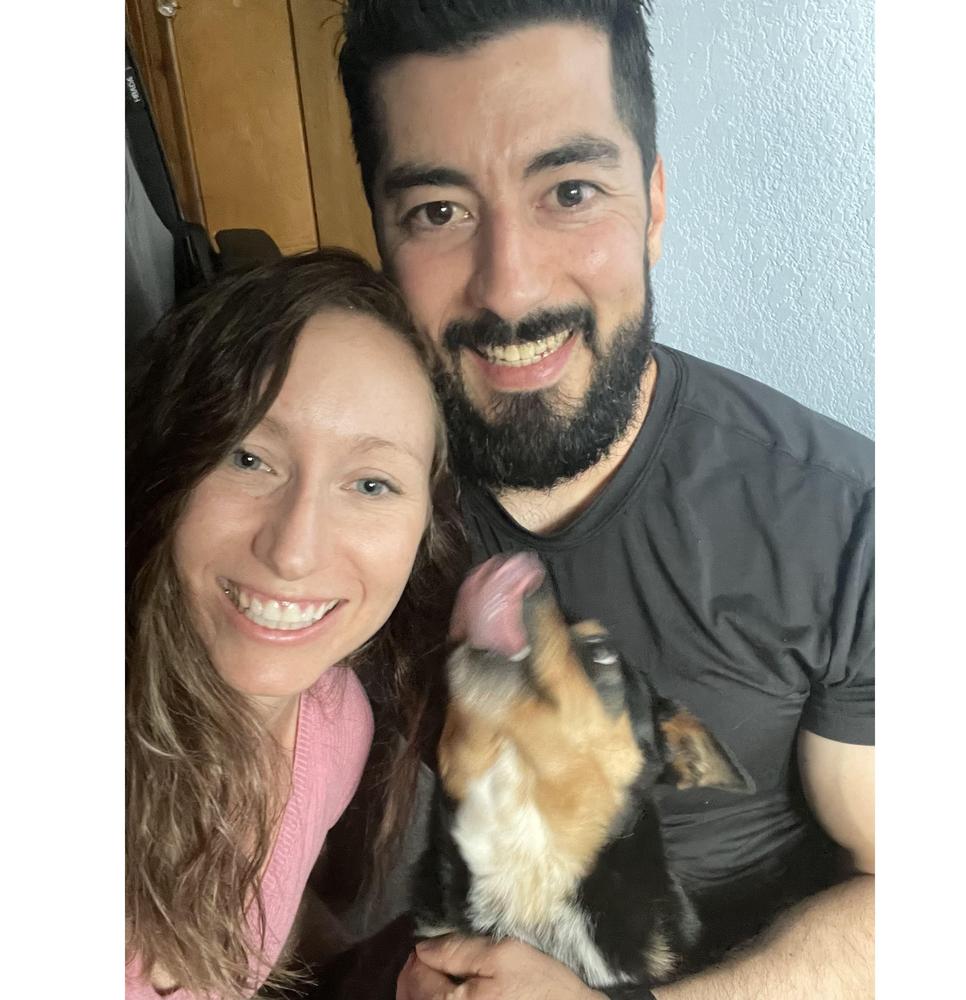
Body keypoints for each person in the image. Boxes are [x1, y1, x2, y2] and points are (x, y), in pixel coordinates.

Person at [336, 2, 874, 998]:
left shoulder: (847, 521)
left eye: (570, 191)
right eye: (438, 211)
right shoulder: (317, 504)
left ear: (654, 204)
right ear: (379, 232)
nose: (509, 288)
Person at [125, 249, 461, 999]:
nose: (293, 550)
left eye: (370, 483)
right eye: (248, 458)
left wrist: (383, 979)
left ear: (424, 531)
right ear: (170, 467)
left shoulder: (335, 725)